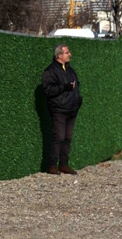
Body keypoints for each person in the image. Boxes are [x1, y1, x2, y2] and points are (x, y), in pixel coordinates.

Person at [42, 44, 82, 175]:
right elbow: (48, 90)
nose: (69, 54)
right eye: (67, 52)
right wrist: (64, 87)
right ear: (59, 55)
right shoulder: (50, 71)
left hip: (72, 109)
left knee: (67, 138)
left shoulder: (70, 70)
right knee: (58, 137)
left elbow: (76, 86)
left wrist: (78, 99)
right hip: (59, 108)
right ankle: (52, 165)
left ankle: (64, 164)